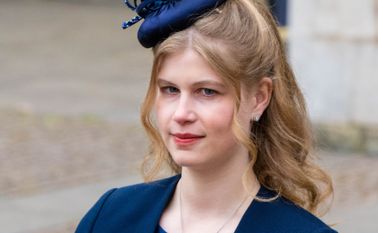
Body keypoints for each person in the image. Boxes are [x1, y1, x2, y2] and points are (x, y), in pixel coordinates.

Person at [75, 0, 337, 232]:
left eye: (207, 92)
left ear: (259, 98)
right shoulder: (110, 216)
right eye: (170, 90)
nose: (181, 114)